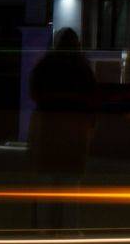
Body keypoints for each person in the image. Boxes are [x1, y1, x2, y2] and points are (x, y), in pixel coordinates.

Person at [28, 27, 97, 231]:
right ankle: (70, 231)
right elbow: (91, 100)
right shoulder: (83, 70)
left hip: (48, 133)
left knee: (46, 188)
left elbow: (35, 94)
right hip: (74, 135)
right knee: (70, 189)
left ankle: (43, 231)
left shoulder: (45, 67)